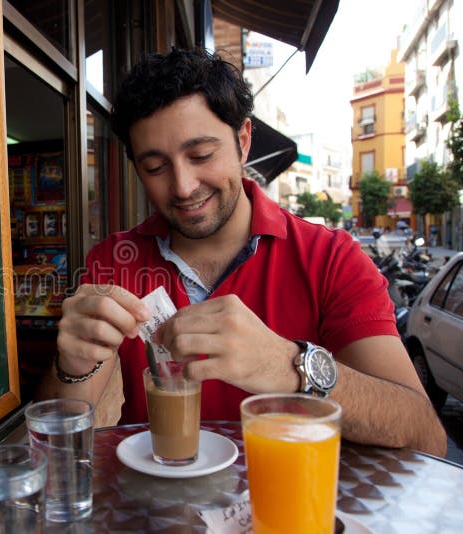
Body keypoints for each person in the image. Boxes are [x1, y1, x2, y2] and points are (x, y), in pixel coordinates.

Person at [36, 48, 447, 456]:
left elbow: (423, 434)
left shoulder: (330, 258)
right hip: (155, 510)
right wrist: (72, 367)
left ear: (244, 140)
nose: (182, 186)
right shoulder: (113, 261)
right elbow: (56, 441)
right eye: (156, 167)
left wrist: (286, 365)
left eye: (201, 155)